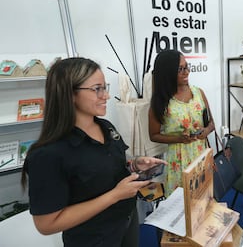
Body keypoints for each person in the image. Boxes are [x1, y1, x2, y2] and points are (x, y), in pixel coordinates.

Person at [21, 57, 166, 247]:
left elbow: (109, 164)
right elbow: (46, 224)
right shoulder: (48, 154)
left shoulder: (105, 127)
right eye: (97, 89)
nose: (105, 96)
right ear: (70, 93)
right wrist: (114, 195)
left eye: (104, 87)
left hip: (127, 224)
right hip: (94, 239)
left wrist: (135, 163)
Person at [149, 50, 215, 197]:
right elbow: (153, 135)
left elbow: (211, 123)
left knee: (203, 201)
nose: (187, 72)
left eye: (187, 66)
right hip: (177, 162)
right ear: (168, 72)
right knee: (180, 205)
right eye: (180, 69)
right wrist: (179, 138)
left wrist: (206, 131)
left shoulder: (198, 93)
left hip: (200, 157)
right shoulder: (161, 101)